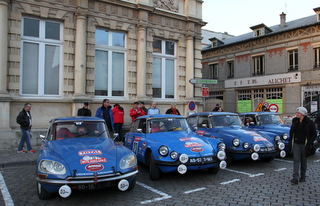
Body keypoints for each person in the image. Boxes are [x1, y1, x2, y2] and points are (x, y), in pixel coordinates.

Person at [289, 107, 316, 184]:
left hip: (305, 144)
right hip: (296, 143)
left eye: (298, 113)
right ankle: (295, 177)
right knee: (296, 160)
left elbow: (313, 134)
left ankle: (303, 176)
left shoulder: (309, 122)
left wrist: (309, 143)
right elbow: (292, 132)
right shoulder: (295, 121)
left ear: (303, 114)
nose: (296, 114)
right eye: (296, 113)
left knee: (303, 161)